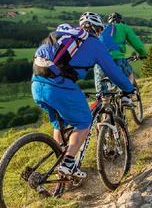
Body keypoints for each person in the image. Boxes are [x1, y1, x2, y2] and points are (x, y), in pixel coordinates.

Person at [31, 12, 136, 178]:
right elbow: (113, 71)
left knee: (60, 123)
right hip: (60, 88)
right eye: (100, 31)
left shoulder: (65, 34)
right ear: (97, 29)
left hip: (37, 84)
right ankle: (68, 163)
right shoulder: (94, 43)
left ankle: (61, 162)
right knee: (84, 121)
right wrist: (129, 88)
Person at [93, 11, 148, 95]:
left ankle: (106, 104)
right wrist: (143, 54)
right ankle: (126, 95)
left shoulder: (102, 29)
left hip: (100, 61)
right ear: (121, 20)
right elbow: (137, 44)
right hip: (117, 59)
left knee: (103, 94)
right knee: (129, 73)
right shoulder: (124, 27)